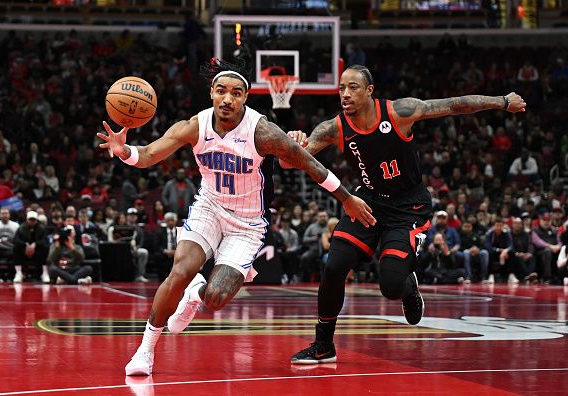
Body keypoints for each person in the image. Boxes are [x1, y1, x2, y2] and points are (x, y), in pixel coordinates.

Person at [96, 58, 373, 376]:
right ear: (211, 93)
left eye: (237, 93)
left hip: (248, 223)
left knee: (215, 298)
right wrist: (125, 150)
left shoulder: (263, 132)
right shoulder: (194, 126)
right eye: (221, 91)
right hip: (209, 209)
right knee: (179, 271)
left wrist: (347, 198)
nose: (228, 99)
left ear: (245, 97)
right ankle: (144, 351)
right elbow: (149, 154)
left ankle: (196, 294)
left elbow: (310, 164)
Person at [282, 64, 526, 364]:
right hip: (368, 202)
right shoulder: (334, 128)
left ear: (370, 91)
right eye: (341, 88)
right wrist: (292, 144)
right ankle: (323, 344)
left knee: (391, 285)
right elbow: (289, 163)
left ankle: (408, 287)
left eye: (353, 88)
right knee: (334, 266)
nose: (345, 94)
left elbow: (455, 105)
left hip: (408, 207)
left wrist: (502, 100)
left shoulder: (399, 112)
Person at [12, 211, 49, 283]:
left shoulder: (42, 228)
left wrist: (35, 244)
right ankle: (19, 273)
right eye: (30, 219)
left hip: (37, 251)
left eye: (34, 220)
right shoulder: (21, 228)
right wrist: (25, 245)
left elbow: (45, 241)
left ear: (36, 220)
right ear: (27, 220)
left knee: (45, 248)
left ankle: (44, 273)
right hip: (24, 251)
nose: (32, 221)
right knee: (15, 248)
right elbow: (15, 240)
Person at [152, 212, 178, 282]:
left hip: (178, 253)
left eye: (172, 220)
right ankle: (161, 278)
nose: (170, 222)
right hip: (165, 254)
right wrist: (166, 251)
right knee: (158, 255)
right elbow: (156, 245)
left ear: (175, 221)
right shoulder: (159, 232)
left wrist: (176, 251)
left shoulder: (180, 232)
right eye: (168, 220)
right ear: (165, 222)